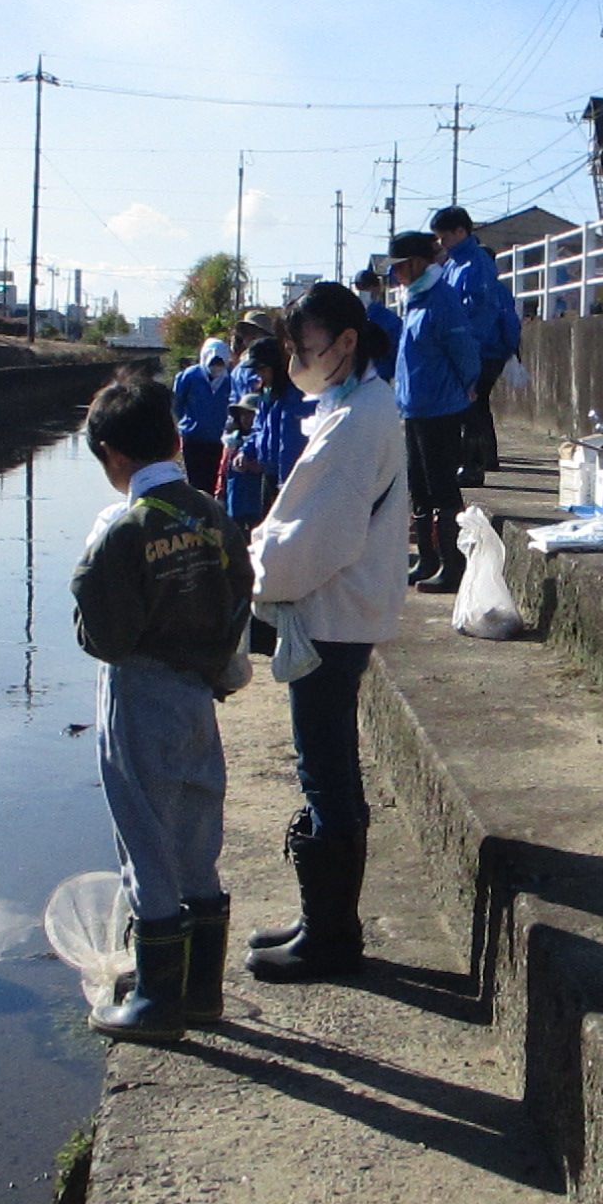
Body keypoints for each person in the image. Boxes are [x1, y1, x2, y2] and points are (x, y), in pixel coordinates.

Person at [71, 373, 255, 1040]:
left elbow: (104, 635)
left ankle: (156, 999)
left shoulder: (120, 528)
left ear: (112, 456)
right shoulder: (212, 516)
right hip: (198, 695)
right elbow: (241, 593)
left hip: (139, 696)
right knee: (198, 837)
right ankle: (203, 992)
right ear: (177, 440)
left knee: (145, 840)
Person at [243, 282, 413, 981]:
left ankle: (331, 934)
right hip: (340, 610)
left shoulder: (357, 419)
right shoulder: (357, 404)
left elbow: (319, 537)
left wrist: (254, 574)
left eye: (305, 347)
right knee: (328, 762)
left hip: (332, 614)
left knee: (325, 767)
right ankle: (324, 920)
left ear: (346, 342)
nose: (297, 361)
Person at [388, 228, 479, 593]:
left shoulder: (441, 298)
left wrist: (468, 385)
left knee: (442, 486)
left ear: (414, 263)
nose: (395, 274)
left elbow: (464, 350)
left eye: (399, 266)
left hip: (439, 407)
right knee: (420, 487)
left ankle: (451, 565)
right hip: (414, 407)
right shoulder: (414, 298)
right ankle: (427, 559)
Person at [431, 206, 522, 484]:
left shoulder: (476, 264)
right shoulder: (454, 263)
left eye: (444, 236)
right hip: (466, 346)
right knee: (470, 406)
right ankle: (471, 461)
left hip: (482, 349)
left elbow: (482, 312)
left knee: (471, 405)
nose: (441, 242)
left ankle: (473, 466)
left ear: (460, 231)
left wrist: (466, 346)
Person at [226, 337, 314, 528]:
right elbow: (258, 429)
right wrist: (246, 452)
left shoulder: (295, 396)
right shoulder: (266, 395)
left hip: (290, 480)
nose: (259, 375)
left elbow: (290, 443)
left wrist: (285, 484)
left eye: (262, 369)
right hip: (269, 476)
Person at [171, 337, 234, 491]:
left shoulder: (230, 379)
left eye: (219, 364)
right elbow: (177, 402)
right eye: (212, 363)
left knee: (215, 481)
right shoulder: (189, 376)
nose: (215, 368)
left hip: (220, 438)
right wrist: (185, 423)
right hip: (193, 438)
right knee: (196, 482)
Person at [354, 265, 402, 383]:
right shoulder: (350, 318)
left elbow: (398, 355)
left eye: (365, 287)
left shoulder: (390, 320)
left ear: (377, 288)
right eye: (358, 288)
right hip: (353, 381)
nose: (361, 291)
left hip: (381, 379)